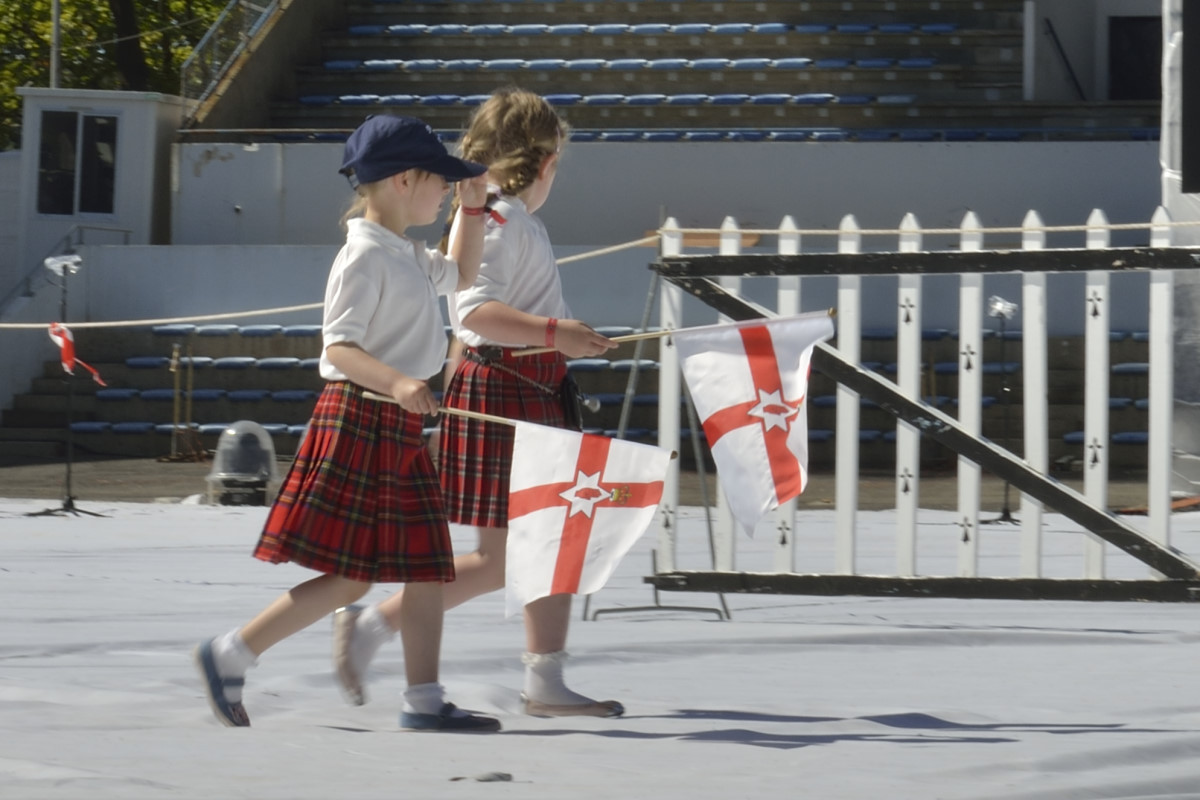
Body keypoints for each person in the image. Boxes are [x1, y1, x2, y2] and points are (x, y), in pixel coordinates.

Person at [193, 114, 500, 732]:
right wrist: (401, 383)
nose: (445, 191)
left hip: (396, 424)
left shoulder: (407, 251)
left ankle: (423, 699)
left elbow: (462, 275)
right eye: (442, 181)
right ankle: (232, 652)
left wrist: (470, 209)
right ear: (405, 180)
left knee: (424, 565)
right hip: (360, 418)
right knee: (352, 579)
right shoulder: (362, 255)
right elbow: (338, 348)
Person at [331, 87, 623, 717]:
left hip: (529, 387)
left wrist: (566, 338)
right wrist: (556, 334)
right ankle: (384, 628)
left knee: (538, 544)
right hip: (508, 390)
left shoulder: (510, 217)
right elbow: (472, 313)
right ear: (545, 161)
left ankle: (539, 677)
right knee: (513, 553)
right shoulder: (503, 217)